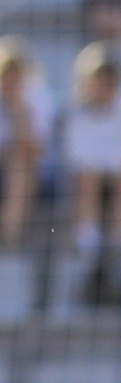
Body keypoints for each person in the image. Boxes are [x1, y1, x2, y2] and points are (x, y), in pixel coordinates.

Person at [60, 42, 121, 309]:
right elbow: (77, 160)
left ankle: (118, 257)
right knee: (88, 178)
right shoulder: (74, 108)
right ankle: (92, 258)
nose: (103, 86)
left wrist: (109, 166)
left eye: (108, 79)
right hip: (90, 183)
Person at [0, 39, 57, 248]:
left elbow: (31, 149)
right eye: (5, 71)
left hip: (35, 169)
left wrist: (17, 108)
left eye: (15, 71)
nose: (10, 78)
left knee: (21, 168)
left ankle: (8, 240)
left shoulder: (39, 97)